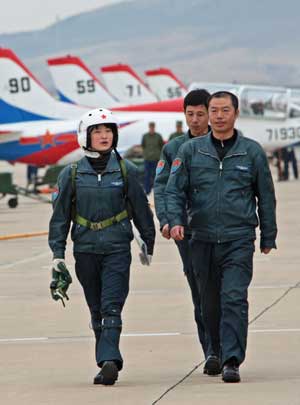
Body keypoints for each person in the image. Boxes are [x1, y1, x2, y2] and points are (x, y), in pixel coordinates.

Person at [166, 91, 277, 383]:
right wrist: (175, 221)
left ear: (236, 113)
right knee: (209, 301)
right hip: (200, 238)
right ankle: (213, 350)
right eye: (213, 110)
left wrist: (268, 234)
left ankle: (232, 359)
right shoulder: (190, 151)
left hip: (238, 238)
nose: (217, 116)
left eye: (224, 110)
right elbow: (173, 190)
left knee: (234, 298)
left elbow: (265, 195)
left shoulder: (251, 152)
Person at [48, 108, 155, 386]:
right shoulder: (70, 175)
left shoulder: (126, 170)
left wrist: (149, 241)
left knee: (111, 306)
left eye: (108, 131)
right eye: (97, 131)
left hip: (117, 249)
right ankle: (105, 360)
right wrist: (57, 255)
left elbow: (141, 210)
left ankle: (109, 360)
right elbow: (59, 218)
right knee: (96, 308)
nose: (104, 136)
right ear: (86, 136)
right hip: (85, 250)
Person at [154, 89, 221, 375]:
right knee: (200, 293)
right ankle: (211, 352)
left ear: (210, 114)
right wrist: (168, 219)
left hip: (222, 230)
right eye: (189, 115)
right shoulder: (173, 149)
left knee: (226, 292)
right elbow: (161, 187)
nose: (195, 120)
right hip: (188, 233)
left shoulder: (225, 144)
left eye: (200, 114)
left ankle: (227, 350)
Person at [141, 121, 164, 194]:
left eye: (153, 127)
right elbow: (143, 145)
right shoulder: (145, 136)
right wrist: (146, 154)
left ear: (154, 127)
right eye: (151, 127)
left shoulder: (158, 136)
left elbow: (161, 146)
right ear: (149, 127)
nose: (152, 128)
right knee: (147, 175)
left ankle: (156, 191)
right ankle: (147, 191)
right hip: (147, 159)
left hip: (156, 159)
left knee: (156, 175)